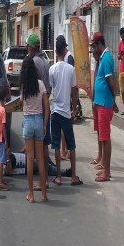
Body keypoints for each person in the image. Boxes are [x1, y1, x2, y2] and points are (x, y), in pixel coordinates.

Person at [49, 35, 82, 186]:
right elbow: (75, 90)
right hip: (66, 112)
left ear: (56, 52)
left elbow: (52, 89)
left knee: (56, 145)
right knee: (72, 145)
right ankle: (74, 176)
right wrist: (74, 108)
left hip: (55, 111)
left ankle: (58, 176)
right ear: (64, 50)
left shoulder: (52, 69)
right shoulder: (70, 69)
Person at [20, 55, 50, 202]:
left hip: (27, 121)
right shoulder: (41, 84)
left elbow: (21, 104)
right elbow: (47, 107)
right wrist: (44, 124)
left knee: (30, 160)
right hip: (39, 120)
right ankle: (44, 193)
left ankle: (31, 194)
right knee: (41, 159)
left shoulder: (24, 86)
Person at [90, 32, 119, 182]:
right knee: (103, 136)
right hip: (101, 102)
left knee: (105, 138)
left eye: (94, 46)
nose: (93, 49)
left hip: (105, 103)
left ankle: (106, 172)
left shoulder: (106, 58)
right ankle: (104, 168)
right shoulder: (102, 58)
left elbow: (110, 81)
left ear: (98, 44)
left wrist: (113, 100)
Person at [26, 32, 51, 188]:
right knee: (44, 147)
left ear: (30, 47)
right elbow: (48, 87)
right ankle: (46, 180)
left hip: (35, 111)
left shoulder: (33, 62)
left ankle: (41, 183)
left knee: (34, 154)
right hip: (44, 107)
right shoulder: (45, 61)